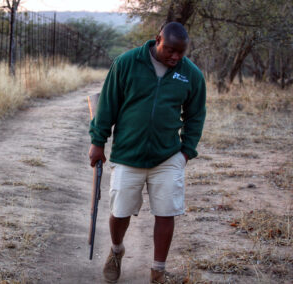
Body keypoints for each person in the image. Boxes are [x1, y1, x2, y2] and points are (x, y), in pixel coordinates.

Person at [88, 22, 206, 283]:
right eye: (170, 50)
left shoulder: (191, 74)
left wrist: (185, 152)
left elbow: (196, 116)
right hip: (128, 154)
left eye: (181, 53)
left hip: (168, 157)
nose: (175, 57)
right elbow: (107, 104)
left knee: (166, 212)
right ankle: (117, 250)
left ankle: (158, 270)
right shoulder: (127, 62)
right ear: (157, 40)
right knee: (119, 211)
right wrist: (98, 141)